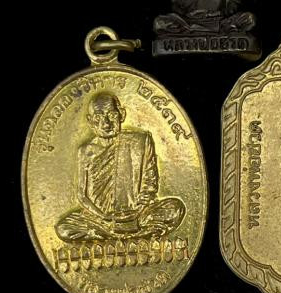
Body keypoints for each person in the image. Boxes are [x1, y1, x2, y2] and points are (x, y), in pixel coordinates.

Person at [55, 92, 185, 242]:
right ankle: (133, 235)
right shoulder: (85, 151)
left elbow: (150, 184)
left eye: (111, 115)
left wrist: (138, 211)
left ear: (121, 115)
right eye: (98, 118)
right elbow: (82, 196)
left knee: (175, 208)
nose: (106, 123)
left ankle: (116, 235)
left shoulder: (140, 141)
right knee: (63, 228)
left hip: (138, 215)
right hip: (101, 220)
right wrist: (104, 217)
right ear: (90, 121)